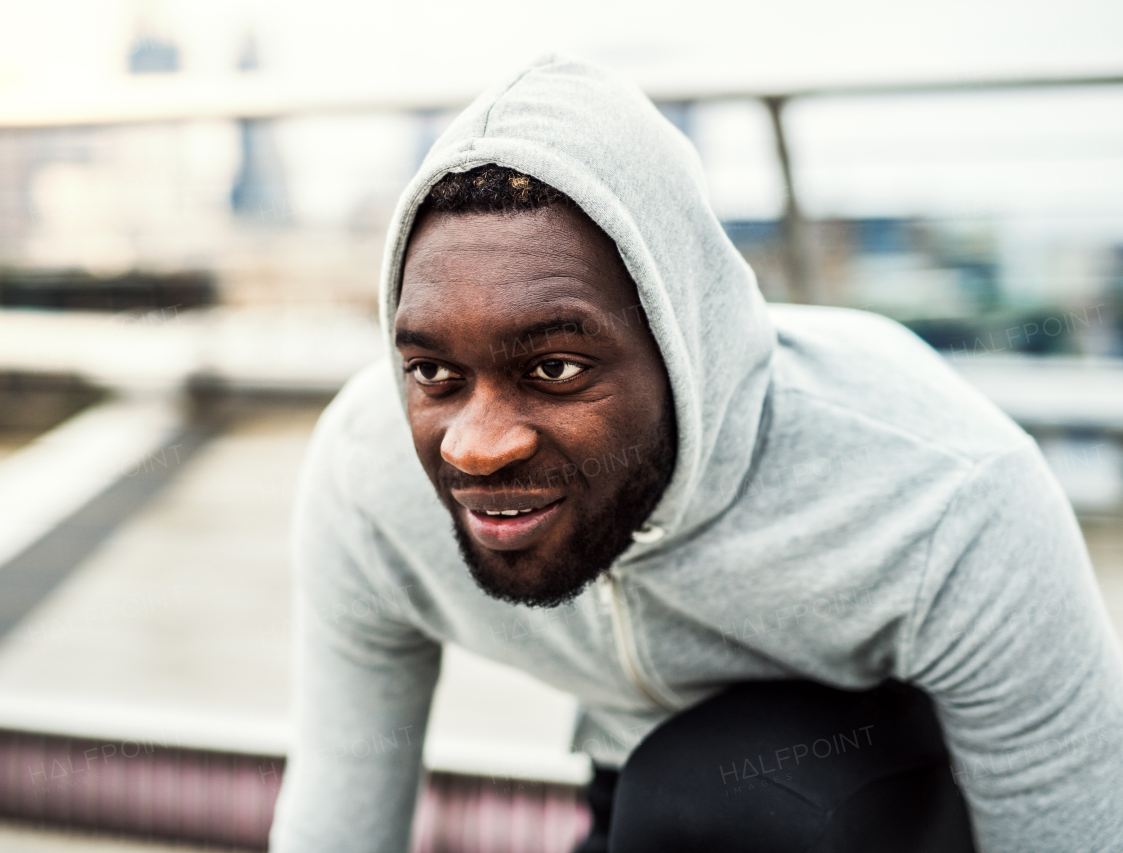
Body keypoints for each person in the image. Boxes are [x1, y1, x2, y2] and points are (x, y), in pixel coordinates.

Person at [270, 57, 1123, 852]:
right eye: (434, 371)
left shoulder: (948, 494)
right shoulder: (366, 477)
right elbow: (341, 804)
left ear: (684, 346)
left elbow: (1074, 827)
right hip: (634, 800)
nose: (477, 445)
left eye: (555, 368)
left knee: (710, 795)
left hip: (878, 808)